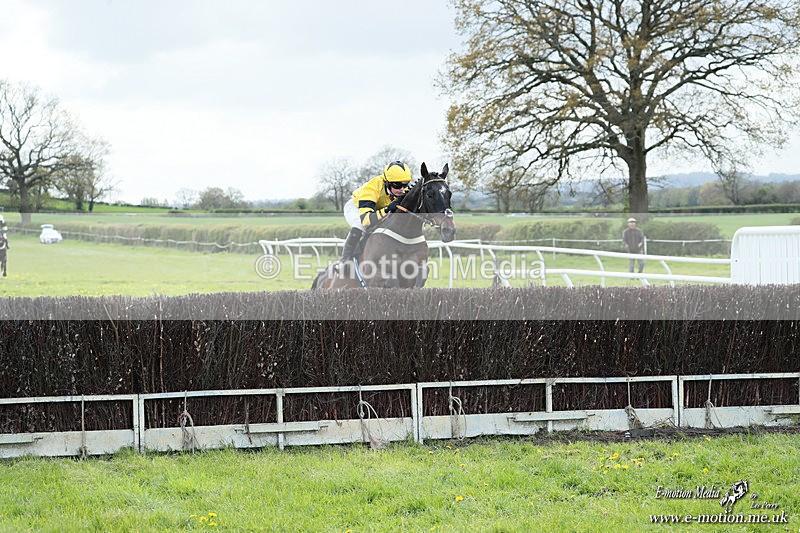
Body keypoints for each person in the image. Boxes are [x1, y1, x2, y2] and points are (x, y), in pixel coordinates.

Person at [339, 160, 412, 262]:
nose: (402, 189)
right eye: (397, 185)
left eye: (405, 184)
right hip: (357, 207)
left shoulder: (402, 190)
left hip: (377, 209)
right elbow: (365, 219)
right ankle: (345, 260)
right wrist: (387, 209)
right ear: (387, 182)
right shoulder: (373, 187)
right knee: (360, 224)